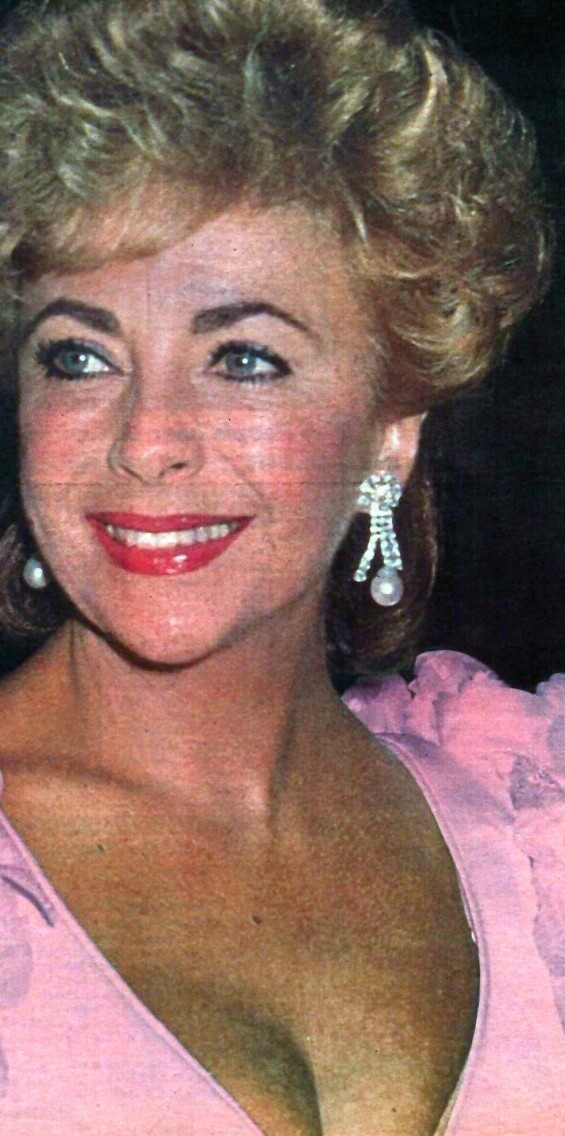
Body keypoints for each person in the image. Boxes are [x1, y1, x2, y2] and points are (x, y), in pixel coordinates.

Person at [0, 0, 561, 1133]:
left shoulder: (530, 811)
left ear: (389, 429)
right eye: (81, 357)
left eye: (244, 358)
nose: (147, 440)